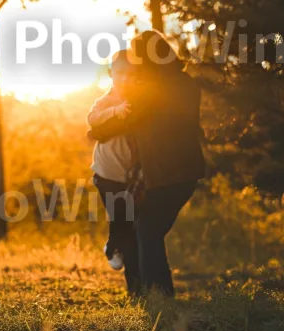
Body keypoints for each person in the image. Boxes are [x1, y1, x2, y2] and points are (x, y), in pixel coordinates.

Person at [88, 31, 206, 297]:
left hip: (169, 175)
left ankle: (155, 295)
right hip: (183, 173)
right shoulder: (184, 83)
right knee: (145, 229)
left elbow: (122, 122)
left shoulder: (155, 90)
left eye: (138, 56)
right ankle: (151, 294)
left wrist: (95, 132)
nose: (135, 63)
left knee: (145, 230)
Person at [87, 50, 141, 295]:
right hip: (105, 173)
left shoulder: (138, 100)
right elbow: (92, 119)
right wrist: (114, 111)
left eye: (130, 74)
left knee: (127, 223)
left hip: (128, 175)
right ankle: (113, 247)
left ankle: (113, 246)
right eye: (120, 73)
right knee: (119, 216)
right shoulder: (106, 99)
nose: (125, 79)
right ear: (111, 74)